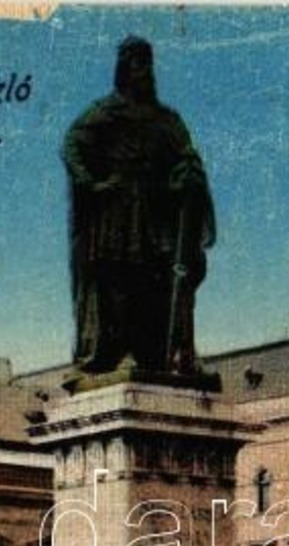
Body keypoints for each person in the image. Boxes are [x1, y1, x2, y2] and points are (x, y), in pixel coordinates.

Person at [62, 36, 215, 377]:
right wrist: (92, 183)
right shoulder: (106, 111)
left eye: (147, 63)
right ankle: (118, 350)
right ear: (124, 69)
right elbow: (72, 145)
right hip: (117, 210)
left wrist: (189, 174)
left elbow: (186, 156)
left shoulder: (167, 119)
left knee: (157, 279)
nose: (143, 70)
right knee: (118, 278)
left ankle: (162, 351)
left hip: (157, 212)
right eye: (136, 63)